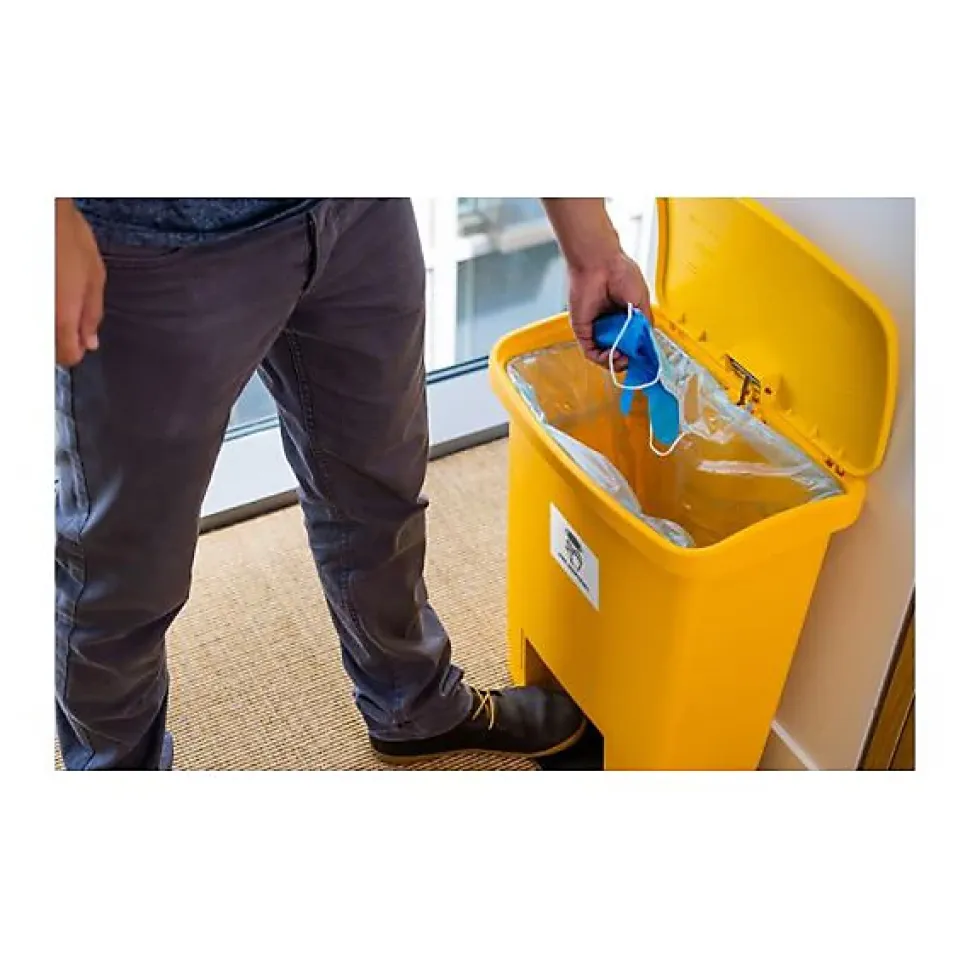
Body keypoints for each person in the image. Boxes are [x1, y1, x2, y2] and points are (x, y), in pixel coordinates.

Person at [55, 197, 652, 770]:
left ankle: (413, 705)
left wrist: (592, 248)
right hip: (153, 238)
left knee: (380, 486)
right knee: (126, 566)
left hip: (361, 211)